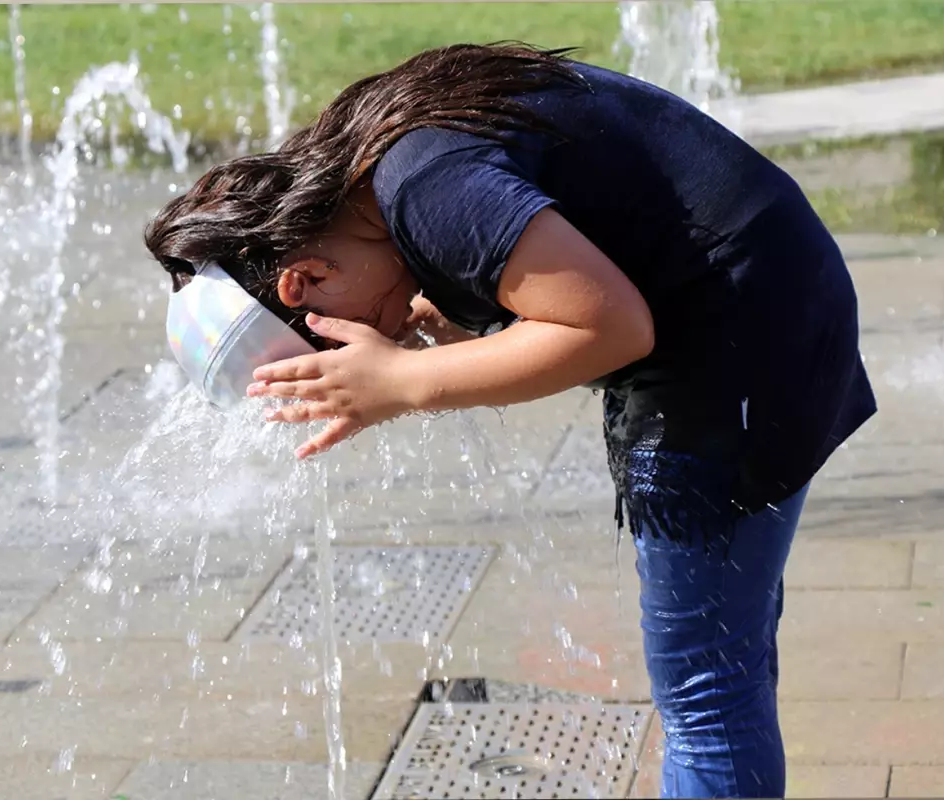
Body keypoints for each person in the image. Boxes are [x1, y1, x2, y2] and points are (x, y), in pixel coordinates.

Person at [144, 43, 876, 799]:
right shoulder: (374, 153)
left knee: (704, 690)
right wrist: (470, 313)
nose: (373, 343)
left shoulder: (426, 188)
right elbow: (578, 248)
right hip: (764, 287)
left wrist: (403, 381)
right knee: (725, 648)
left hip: (740, 331)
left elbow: (612, 327)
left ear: (303, 280)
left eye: (336, 347)